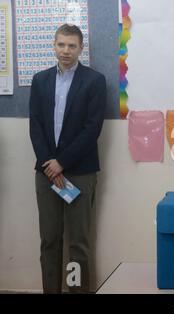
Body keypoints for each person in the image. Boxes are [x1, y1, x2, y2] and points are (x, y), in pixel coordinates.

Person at [29, 24, 107, 293]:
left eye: (71, 45)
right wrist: (48, 163)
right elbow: (36, 126)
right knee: (49, 240)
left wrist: (61, 162)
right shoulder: (40, 80)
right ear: (54, 45)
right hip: (46, 173)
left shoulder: (94, 81)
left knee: (78, 243)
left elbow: (92, 128)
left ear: (80, 48)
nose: (65, 50)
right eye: (61, 44)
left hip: (79, 173)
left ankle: (77, 292)